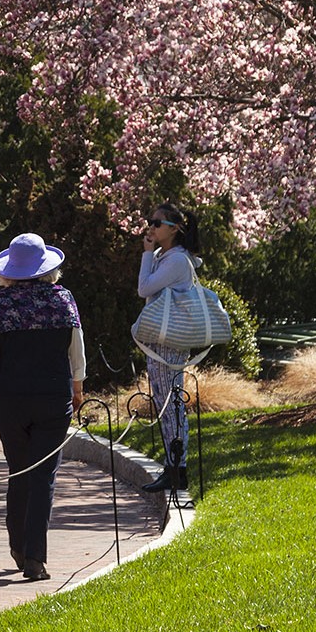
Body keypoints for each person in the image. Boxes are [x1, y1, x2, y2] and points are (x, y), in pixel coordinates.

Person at [0, 233, 85, 582]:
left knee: (19, 469)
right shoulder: (63, 300)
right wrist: (77, 385)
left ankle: (18, 545)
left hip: (12, 397)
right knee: (44, 475)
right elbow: (76, 349)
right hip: (53, 395)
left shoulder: (2, 303)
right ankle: (35, 557)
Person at [138, 202, 201, 493]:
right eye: (150, 221)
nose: (150, 227)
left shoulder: (175, 261)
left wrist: (147, 254)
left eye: (157, 223)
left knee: (170, 404)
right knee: (166, 402)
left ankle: (177, 469)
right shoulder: (170, 256)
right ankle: (173, 467)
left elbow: (144, 289)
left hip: (168, 342)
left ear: (174, 228)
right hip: (163, 340)